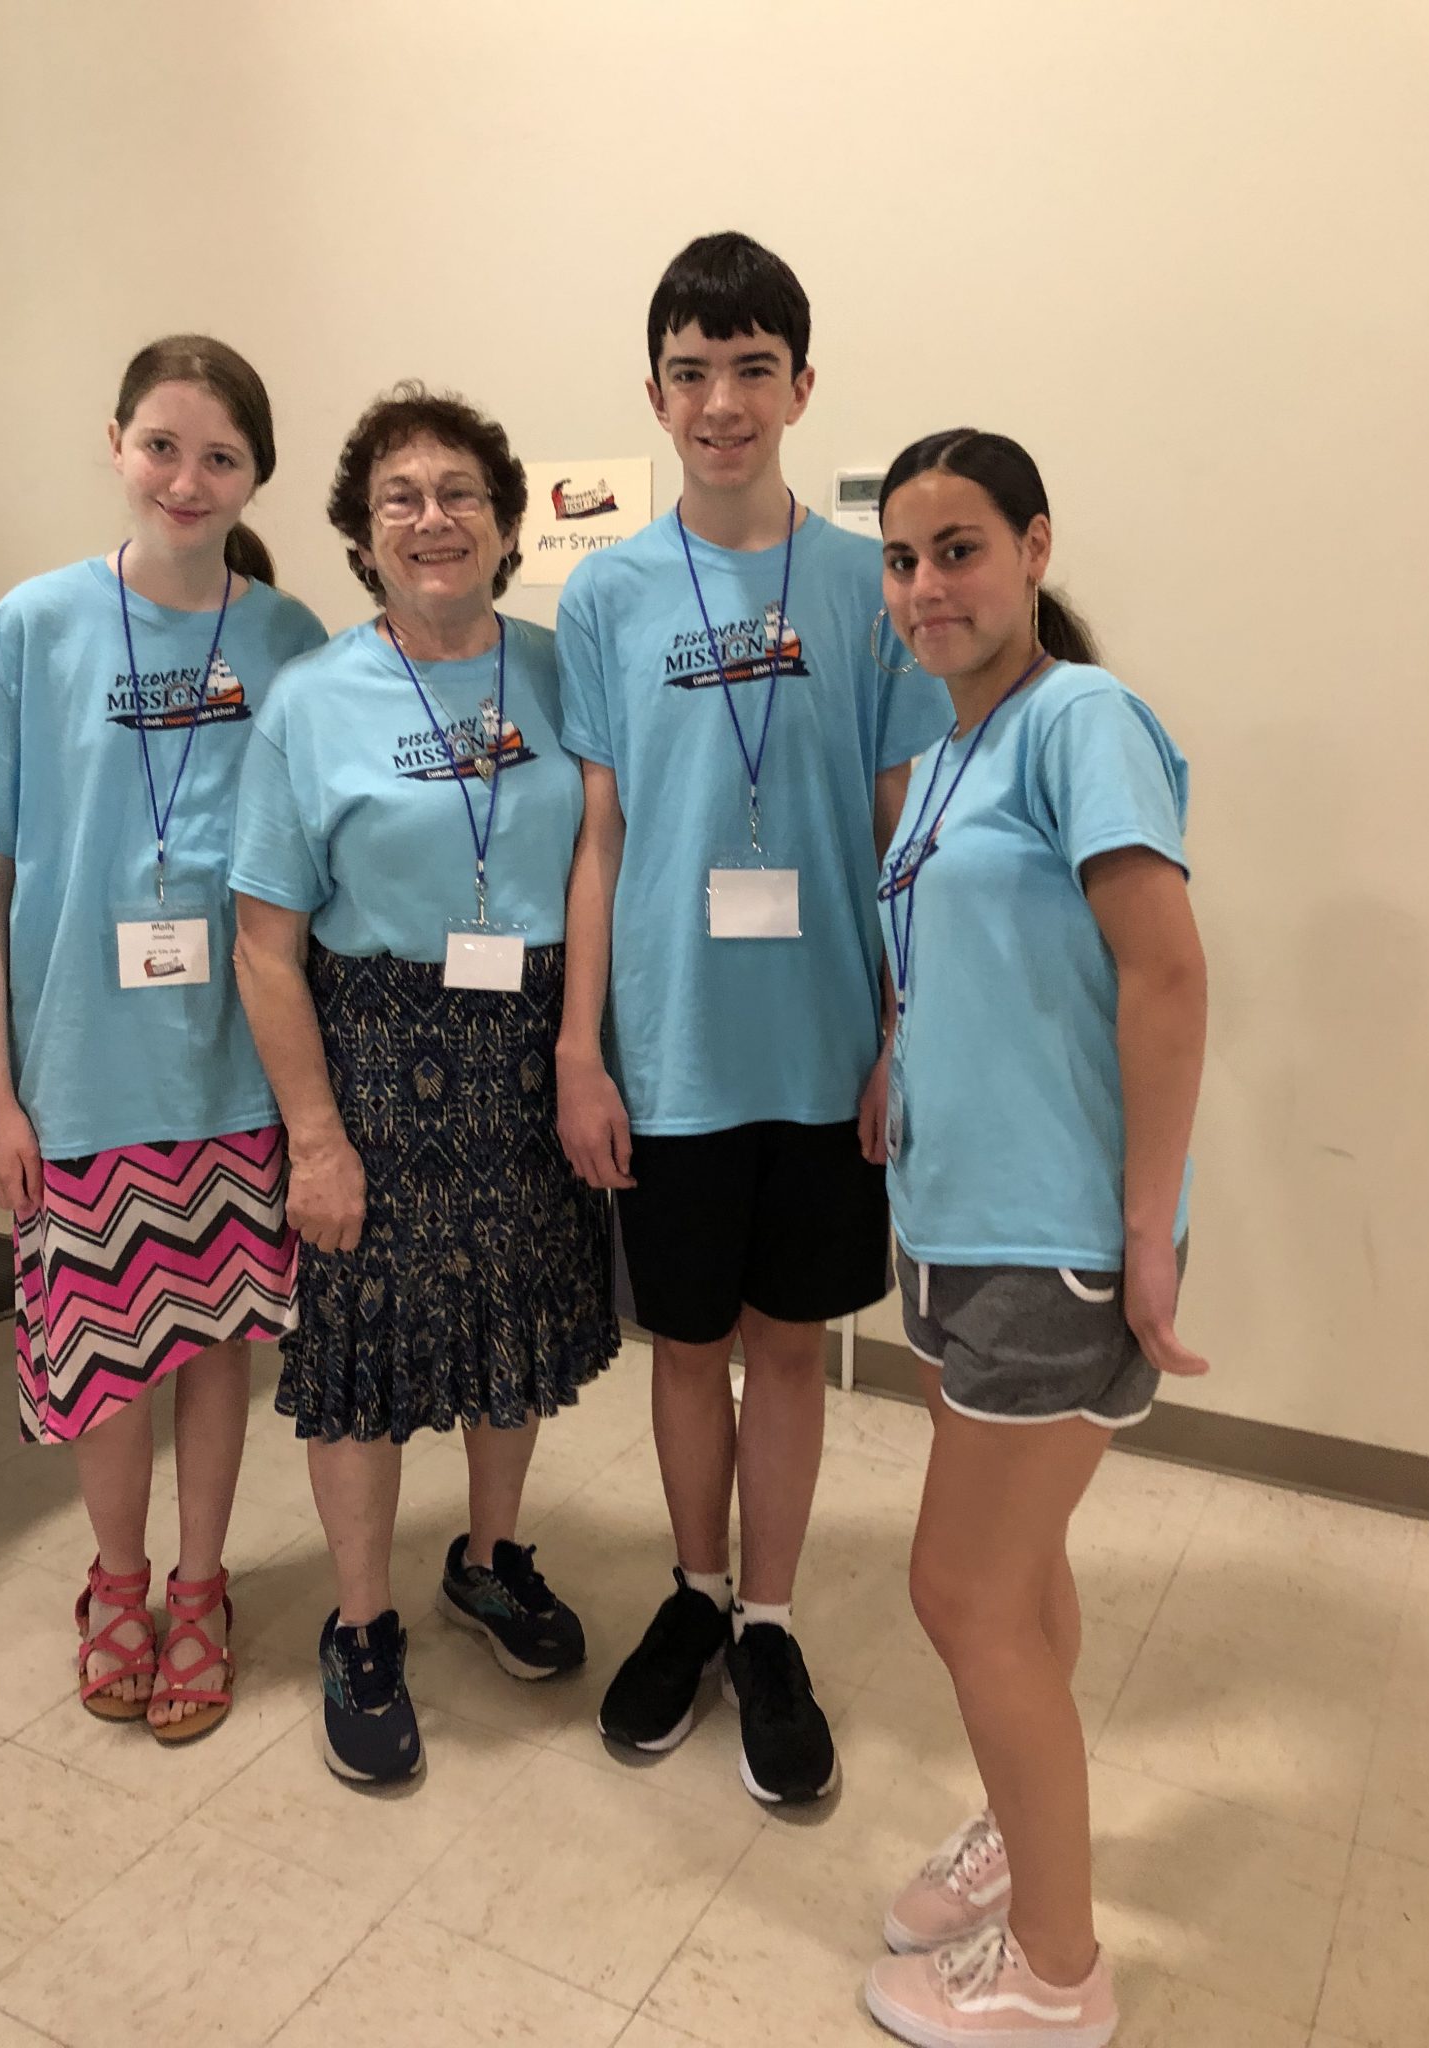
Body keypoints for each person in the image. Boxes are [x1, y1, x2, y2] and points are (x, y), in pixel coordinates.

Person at [554, 232, 945, 1805]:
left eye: (753, 368)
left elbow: (901, 823)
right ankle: (696, 1595)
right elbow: (599, 836)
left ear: (800, 386)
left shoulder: (867, 586)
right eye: (693, 371)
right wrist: (580, 1049)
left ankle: (768, 1624)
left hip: (825, 1049)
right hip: (672, 1050)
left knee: (789, 1350)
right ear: (656, 393)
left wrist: (904, 1031)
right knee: (684, 1347)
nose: (723, 400)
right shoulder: (608, 593)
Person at [0, 336, 327, 1741]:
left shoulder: (286, 641)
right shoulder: (31, 629)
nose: (187, 479)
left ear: (255, 474)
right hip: (80, 1077)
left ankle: (202, 1587)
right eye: (162, 445)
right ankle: (117, 1586)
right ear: (116, 444)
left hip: (235, 1074)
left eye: (221, 456)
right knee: (104, 1361)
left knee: (215, 1349)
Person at [861, 429, 1207, 2048]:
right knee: (1021, 1572)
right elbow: (971, 957)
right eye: (903, 559)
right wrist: (898, 1059)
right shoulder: (948, 754)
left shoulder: (1081, 718)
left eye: (960, 549)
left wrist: (1149, 1228)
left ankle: (1060, 1973)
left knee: (959, 1591)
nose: (927, 585)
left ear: (1034, 549)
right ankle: (1023, 1825)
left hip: (1053, 1241)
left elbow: (1167, 975)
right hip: (954, 1218)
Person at [231, 384, 618, 1787]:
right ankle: (360, 1623)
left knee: (513, 1327)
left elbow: (598, 855)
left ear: (507, 526)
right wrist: (315, 1140)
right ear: (361, 534)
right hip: (377, 1056)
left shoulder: (562, 672)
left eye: (461, 492)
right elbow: (264, 944)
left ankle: (489, 1559)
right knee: (364, 1359)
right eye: (401, 496)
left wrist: (582, 1048)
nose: (433, 517)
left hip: (529, 1048)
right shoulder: (309, 700)